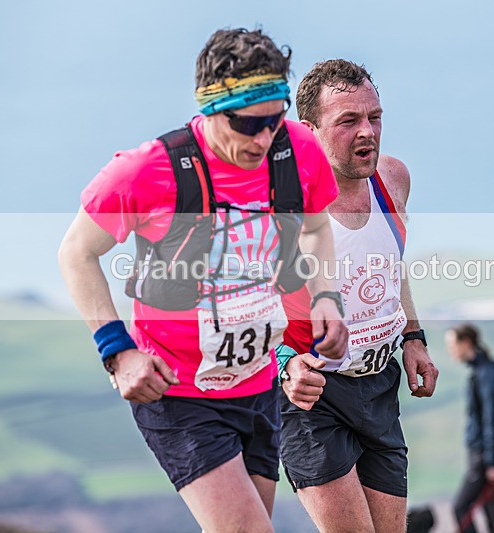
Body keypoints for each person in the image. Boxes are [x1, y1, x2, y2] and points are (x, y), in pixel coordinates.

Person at [58, 28, 348, 533]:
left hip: (257, 385)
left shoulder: (295, 149)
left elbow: (318, 227)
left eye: (275, 120)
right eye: (248, 124)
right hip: (177, 392)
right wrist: (117, 350)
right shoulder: (147, 171)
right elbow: (77, 253)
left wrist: (326, 295)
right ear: (212, 109)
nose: (264, 138)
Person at [275, 59, 440, 533]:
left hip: (379, 384)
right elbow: (244, 300)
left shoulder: (393, 179)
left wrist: (413, 337)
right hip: (312, 391)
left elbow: (389, 265)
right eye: (348, 121)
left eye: (375, 117)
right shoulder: (284, 203)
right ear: (309, 131)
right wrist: (285, 364)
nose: (367, 131)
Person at [446, 324, 494, 533]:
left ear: (466, 343)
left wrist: (492, 461)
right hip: (486, 453)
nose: (450, 351)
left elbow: (493, 417)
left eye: (452, 345)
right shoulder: (484, 372)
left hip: (482, 455)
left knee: (460, 508)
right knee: (490, 509)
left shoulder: (486, 375)